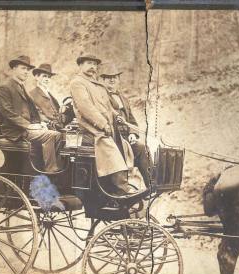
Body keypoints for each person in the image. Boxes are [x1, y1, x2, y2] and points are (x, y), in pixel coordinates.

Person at [70, 53, 137, 196]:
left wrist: (117, 116)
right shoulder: (78, 83)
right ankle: (121, 187)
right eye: (89, 63)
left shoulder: (97, 84)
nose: (92, 67)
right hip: (91, 129)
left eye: (94, 64)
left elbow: (108, 106)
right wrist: (102, 124)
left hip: (107, 127)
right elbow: (86, 107)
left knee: (124, 145)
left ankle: (125, 183)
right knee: (109, 147)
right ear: (80, 65)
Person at [0, 55, 63, 172]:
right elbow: (7, 113)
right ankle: (50, 171)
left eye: (27, 69)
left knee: (57, 135)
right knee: (51, 135)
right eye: (23, 68)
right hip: (14, 130)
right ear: (14, 68)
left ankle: (45, 166)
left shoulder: (22, 87)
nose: (26, 72)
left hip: (25, 128)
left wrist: (40, 123)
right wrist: (28, 125)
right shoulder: (5, 87)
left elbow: (32, 112)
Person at [100, 63, 153, 187]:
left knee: (142, 148)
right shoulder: (101, 97)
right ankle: (120, 187)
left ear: (118, 79)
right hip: (112, 137)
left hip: (126, 137)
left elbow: (132, 121)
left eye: (115, 77)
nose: (112, 80)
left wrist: (133, 134)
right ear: (103, 80)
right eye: (108, 77)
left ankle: (151, 184)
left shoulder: (124, 98)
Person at [30, 63, 74, 131]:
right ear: (37, 77)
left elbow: (58, 114)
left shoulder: (49, 94)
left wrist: (67, 108)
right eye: (44, 76)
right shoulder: (32, 94)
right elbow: (37, 115)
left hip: (59, 128)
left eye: (49, 77)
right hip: (47, 129)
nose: (47, 79)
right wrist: (54, 125)